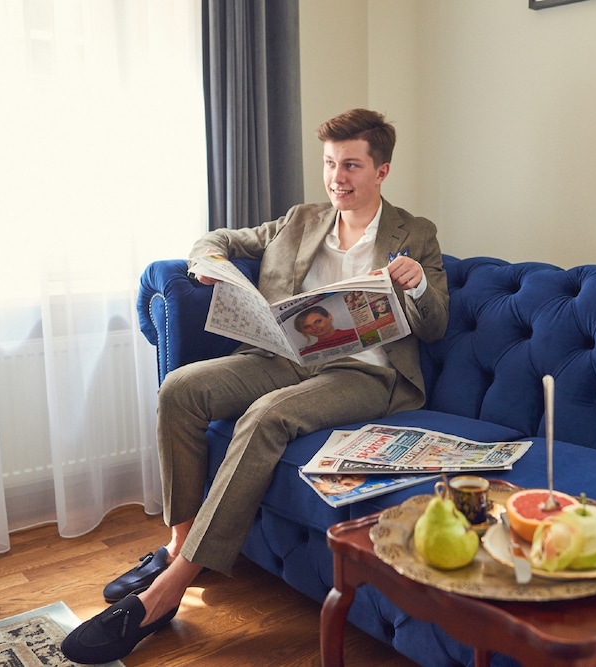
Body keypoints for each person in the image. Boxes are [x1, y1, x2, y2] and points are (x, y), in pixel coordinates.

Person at [61, 108, 449, 664]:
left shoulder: (416, 234)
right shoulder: (301, 219)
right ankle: (179, 542)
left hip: (367, 373)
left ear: (381, 171)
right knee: (180, 390)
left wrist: (416, 288)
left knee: (267, 416)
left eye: (351, 165)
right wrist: (209, 261)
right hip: (288, 356)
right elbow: (218, 237)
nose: (337, 177)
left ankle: (167, 590)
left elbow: (435, 327)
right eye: (329, 163)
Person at [292, 305, 359, 354]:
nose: (314, 328)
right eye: (307, 327)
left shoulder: (356, 333)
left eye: (318, 321)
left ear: (329, 317)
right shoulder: (309, 352)